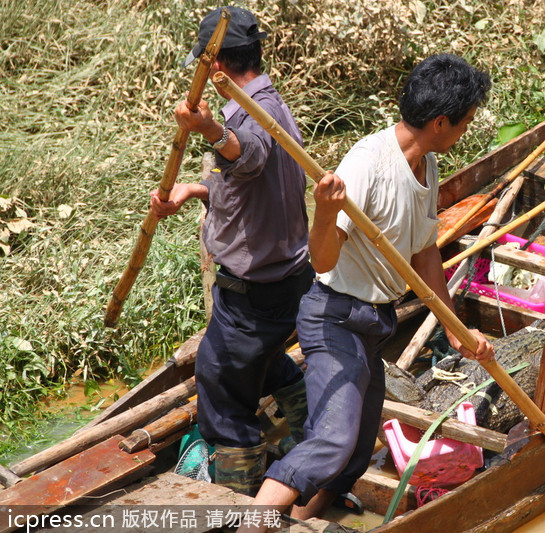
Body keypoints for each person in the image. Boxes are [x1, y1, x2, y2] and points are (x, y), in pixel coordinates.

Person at [247, 53, 496, 523]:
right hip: (334, 317)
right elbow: (321, 260)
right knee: (332, 441)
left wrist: (455, 326)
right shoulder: (367, 163)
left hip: (372, 323)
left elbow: (424, 254)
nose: (464, 132)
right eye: (463, 123)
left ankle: (301, 520)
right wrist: (324, 211)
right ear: (440, 123)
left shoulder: (426, 164)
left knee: (358, 450)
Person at [149, 6, 313, 496]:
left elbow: (250, 153)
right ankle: (307, 425)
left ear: (215, 69)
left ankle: (238, 496)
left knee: (219, 382)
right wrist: (195, 191)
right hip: (289, 280)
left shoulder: (249, 117)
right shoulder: (273, 104)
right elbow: (247, 182)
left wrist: (206, 130)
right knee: (255, 358)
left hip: (256, 291)